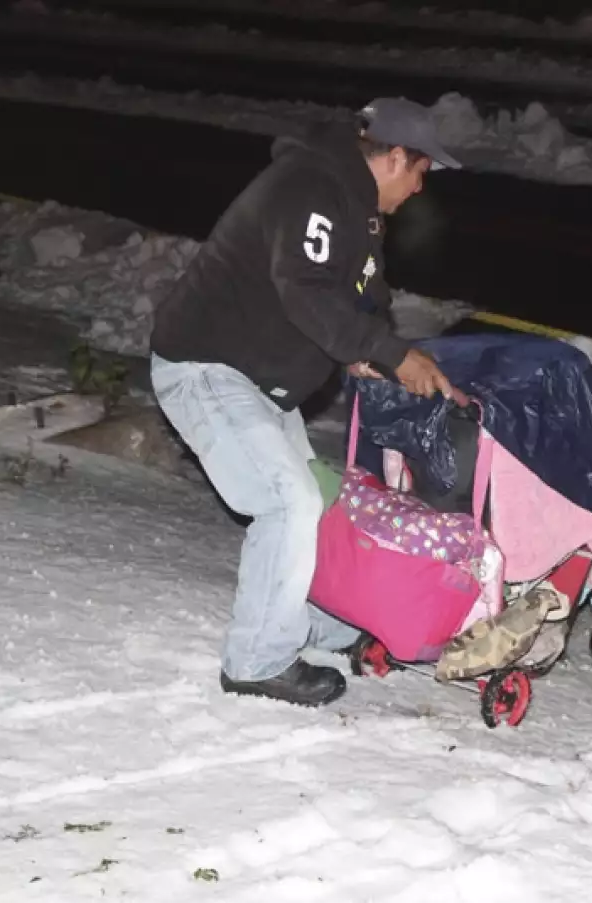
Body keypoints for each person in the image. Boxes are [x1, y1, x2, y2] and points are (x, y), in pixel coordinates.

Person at [150, 97, 467, 707]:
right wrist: (388, 351)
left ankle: (321, 629)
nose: (420, 188)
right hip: (208, 367)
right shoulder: (311, 187)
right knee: (286, 502)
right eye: (421, 171)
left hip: (260, 384)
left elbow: (363, 302)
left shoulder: (361, 213)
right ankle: (256, 661)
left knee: (318, 504)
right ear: (396, 157)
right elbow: (306, 291)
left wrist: (373, 353)